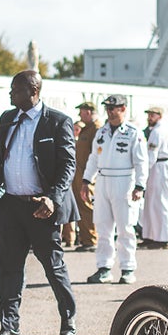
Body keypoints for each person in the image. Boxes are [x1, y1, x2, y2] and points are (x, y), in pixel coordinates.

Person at [0, 71, 77, 335]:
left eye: (15, 90)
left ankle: (68, 317)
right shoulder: (7, 119)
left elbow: (67, 166)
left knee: (53, 266)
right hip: (11, 205)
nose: (11, 95)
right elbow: (0, 162)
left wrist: (52, 198)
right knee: (9, 268)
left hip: (41, 207)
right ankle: (9, 327)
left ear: (33, 90)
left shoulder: (58, 122)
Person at [81, 94, 146, 285]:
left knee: (126, 227)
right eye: (107, 108)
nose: (109, 112)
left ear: (123, 109)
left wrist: (139, 186)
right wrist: (86, 180)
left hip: (124, 180)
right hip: (102, 181)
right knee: (102, 227)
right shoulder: (101, 132)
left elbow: (142, 162)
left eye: (113, 108)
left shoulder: (134, 132)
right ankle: (104, 267)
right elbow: (93, 158)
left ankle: (127, 268)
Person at [140, 106, 168, 249]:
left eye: (152, 115)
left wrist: (142, 172)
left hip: (159, 167)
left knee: (160, 202)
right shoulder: (164, 130)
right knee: (151, 202)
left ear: (159, 116)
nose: (149, 117)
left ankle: (162, 238)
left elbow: (151, 155)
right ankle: (150, 235)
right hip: (161, 166)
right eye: (149, 115)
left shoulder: (157, 132)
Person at [67, 102, 98, 251]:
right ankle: (86, 239)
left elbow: (96, 154)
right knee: (80, 206)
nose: (79, 115)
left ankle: (91, 239)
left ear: (89, 112)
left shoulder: (96, 130)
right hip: (79, 173)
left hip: (88, 174)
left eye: (82, 112)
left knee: (87, 205)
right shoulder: (88, 129)